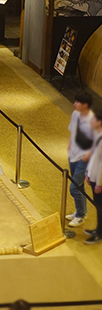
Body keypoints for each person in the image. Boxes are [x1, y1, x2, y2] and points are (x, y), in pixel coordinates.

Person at [66, 91, 95, 227]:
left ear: (85, 105)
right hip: (73, 155)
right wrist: (70, 145)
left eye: (77, 102)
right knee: (79, 186)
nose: (74, 104)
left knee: (74, 188)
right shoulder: (75, 114)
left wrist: (86, 158)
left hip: (83, 159)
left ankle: (81, 215)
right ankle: (80, 210)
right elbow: (73, 131)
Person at [85, 109, 102, 245]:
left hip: (99, 180)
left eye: (94, 120)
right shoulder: (97, 135)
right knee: (98, 205)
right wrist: (87, 173)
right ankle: (98, 229)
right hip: (93, 176)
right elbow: (93, 158)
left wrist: (100, 183)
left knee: (101, 206)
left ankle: (100, 233)